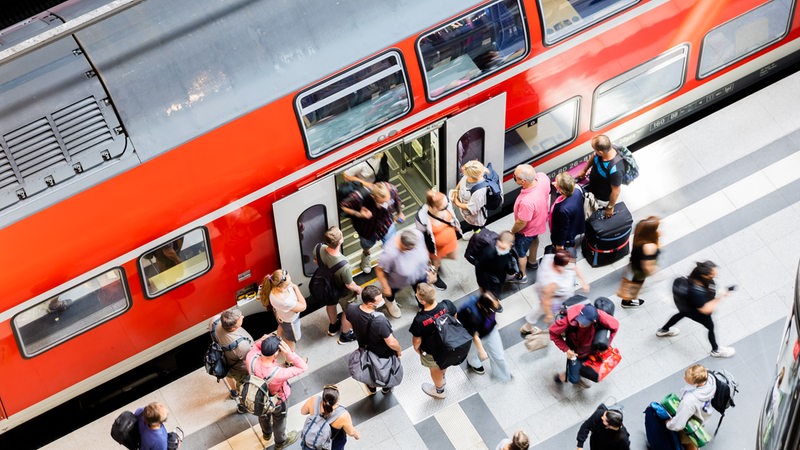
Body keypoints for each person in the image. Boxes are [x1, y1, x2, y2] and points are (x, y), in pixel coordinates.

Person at [656, 260, 736, 358]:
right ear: (704, 276)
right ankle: (715, 350)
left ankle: (663, 330)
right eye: (712, 275)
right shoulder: (696, 292)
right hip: (694, 311)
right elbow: (706, 309)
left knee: (681, 314)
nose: (714, 277)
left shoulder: (689, 280)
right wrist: (722, 296)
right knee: (710, 327)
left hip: (684, 306)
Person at [246, 335, 308, 449]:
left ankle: (266, 434)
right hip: (277, 401)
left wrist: (264, 341)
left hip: (258, 399)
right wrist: (289, 353)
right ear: (275, 354)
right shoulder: (279, 373)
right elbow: (303, 367)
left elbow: (255, 346)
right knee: (279, 420)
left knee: (263, 415)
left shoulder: (250, 357)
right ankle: (280, 442)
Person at [345, 285, 403, 395]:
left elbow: (350, 324)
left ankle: (371, 388)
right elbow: (391, 342)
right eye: (380, 300)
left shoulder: (351, 308)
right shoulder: (380, 321)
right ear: (370, 304)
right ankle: (386, 387)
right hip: (383, 352)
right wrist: (399, 350)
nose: (382, 301)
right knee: (385, 370)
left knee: (370, 369)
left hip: (364, 348)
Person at [339, 181, 404, 274]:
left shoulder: (391, 189)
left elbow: (397, 199)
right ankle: (366, 254)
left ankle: (391, 262)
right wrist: (359, 214)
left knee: (392, 246)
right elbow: (343, 206)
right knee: (367, 245)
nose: (385, 205)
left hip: (386, 224)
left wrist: (399, 212)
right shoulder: (359, 196)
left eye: (387, 201)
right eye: (382, 203)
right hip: (367, 228)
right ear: (373, 197)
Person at [550, 304, 619, 388]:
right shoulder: (569, 321)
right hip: (576, 353)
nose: (580, 324)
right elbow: (553, 333)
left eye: (584, 323)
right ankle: (564, 377)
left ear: (593, 321)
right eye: (580, 320)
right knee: (574, 379)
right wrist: (566, 349)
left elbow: (615, 326)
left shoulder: (601, 317)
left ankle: (578, 373)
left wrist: (606, 344)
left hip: (592, 349)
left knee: (587, 368)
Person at [520, 248, 589, 332]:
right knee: (542, 309)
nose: (569, 265)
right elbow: (546, 300)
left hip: (560, 297)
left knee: (543, 309)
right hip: (552, 299)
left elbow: (573, 267)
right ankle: (530, 327)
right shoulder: (551, 281)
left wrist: (583, 282)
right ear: (558, 266)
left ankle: (530, 326)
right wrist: (548, 315)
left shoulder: (553, 258)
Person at [410, 283, 457, 399]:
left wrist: (417, 350)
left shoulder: (419, 320)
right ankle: (443, 376)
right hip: (448, 343)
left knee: (435, 368)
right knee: (444, 362)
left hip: (432, 350)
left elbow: (417, 341)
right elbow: (455, 319)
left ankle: (439, 391)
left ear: (421, 300)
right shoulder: (447, 305)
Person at [316, 226, 363, 343]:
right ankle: (346, 335)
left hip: (327, 286)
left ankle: (333, 326)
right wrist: (359, 289)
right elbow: (349, 285)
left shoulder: (318, 248)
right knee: (348, 312)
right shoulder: (344, 264)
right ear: (340, 241)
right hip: (342, 292)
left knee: (331, 304)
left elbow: (316, 261)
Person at [375, 229, 434, 318]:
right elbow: (379, 269)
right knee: (391, 293)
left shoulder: (417, 235)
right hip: (397, 281)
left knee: (423, 293)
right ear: (403, 246)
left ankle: (423, 306)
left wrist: (430, 269)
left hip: (420, 274)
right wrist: (385, 287)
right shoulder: (390, 254)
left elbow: (424, 248)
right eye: (412, 248)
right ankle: (390, 302)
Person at [457, 291, 512, 381]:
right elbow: (474, 335)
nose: (497, 309)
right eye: (493, 309)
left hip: (490, 329)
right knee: (472, 353)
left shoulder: (487, 301)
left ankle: (500, 374)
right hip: (474, 335)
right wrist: (482, 351)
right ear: (485, 308)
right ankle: (474, 363)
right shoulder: (472, 314)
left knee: (499, 356)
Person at [511, 164, 550, 283]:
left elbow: (521, 222)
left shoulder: (527, 202)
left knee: (520, 252)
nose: (513, 177)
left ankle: (522, 276)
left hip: (527, 231)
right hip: (539, 223)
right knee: (534, 239)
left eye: (515, 177)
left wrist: (512, 232)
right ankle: (533, 262)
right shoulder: (542, 177)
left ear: (523, 181)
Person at [415, 190, 461, 290]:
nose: (447, 207)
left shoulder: (446, 203)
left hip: (449, 240)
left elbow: (452, 216)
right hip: (435, 247)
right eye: (443, 207)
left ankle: (438, 264)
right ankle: (435, 276)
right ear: (434, 208)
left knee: (453, 256)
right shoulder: (422, 217)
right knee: (435, 263)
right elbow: (421, 237)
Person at [665, 364, 717, 450]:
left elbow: (679, 425)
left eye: (687, 378)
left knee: (689, 442)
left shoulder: (689, 400)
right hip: (704, 414)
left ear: (694, 383)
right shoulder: (711, 379)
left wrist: (668, 424)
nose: (684, 378)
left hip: (693, 421)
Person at [208, 309, 253, 402]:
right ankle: (242, 404)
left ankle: (233, 392)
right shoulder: (242, 346)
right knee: (243, 386)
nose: (243, 317)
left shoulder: (214, 321)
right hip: (238, 369)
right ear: (233, 328)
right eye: (240, 318)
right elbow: (249, 362)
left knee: (228, 375)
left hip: (221, 361)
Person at [576, 135, 623, 219]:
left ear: (600, 152)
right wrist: (584, 170)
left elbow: (616, 191)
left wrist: (609, 208)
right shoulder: (603, 152)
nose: (594, 151)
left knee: (590, 213)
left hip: (601, 198)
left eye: (594, 149)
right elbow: (594, 156)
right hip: (594, 187)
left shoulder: (615, 170)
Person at [299, 385, 360, 450]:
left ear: (323, 397)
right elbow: (351, 432)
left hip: (310, 442)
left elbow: (303, 412)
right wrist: (357, 436)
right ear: (338, 399)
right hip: (332, 444)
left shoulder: (313, 400)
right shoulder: (342, 415)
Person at [618, 216, 661, 308]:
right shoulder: (649, 246)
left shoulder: (640, 230)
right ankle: (627, 301)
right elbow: (647, 266)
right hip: (640, 270)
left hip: (635, 262)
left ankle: (627, 300)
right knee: (637, 283)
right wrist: (655, 274)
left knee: (635, 281)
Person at [263, 269, 306, 352]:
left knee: (281, 326)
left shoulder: (273, 291)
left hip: (281, 316)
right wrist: (296, 288)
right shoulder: (285, 300)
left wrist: (289, 285)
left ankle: (277, 341)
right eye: (288, 284)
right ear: (280, 288)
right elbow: (303, 306)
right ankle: (289, 361)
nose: (291, 284)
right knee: (291, 341)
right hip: (290, 322)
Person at [549, 172, 585, 255]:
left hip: (566, 235)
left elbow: (563, 229)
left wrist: (560, 244)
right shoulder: (576, 190)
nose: (555, 183)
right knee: (571, 244)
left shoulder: (563, 210)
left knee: (567, 248)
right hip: (575, 224)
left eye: (557, 183)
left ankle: (568, 259)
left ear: (561, 190)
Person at [474, 231, 519, 297]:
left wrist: (511, 271)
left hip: (499, 277)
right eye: (499, 246)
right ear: (497, 241)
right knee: (492, 296)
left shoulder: (510, 251)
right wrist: (483, 288)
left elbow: (508, 262)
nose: (500, 251)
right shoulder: (487, 253)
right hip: (490, 280)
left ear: (511, 245)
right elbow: (479, 270)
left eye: (503, 248)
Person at [451, 160, 490, 231]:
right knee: (473, 225)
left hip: (476, 218)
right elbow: (462, 181)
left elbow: (471, 207)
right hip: (468, 214)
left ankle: (477, 233)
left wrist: (457, 203)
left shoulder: (479, 192)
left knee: (477, 228)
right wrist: (456, 190)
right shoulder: (467, 176)